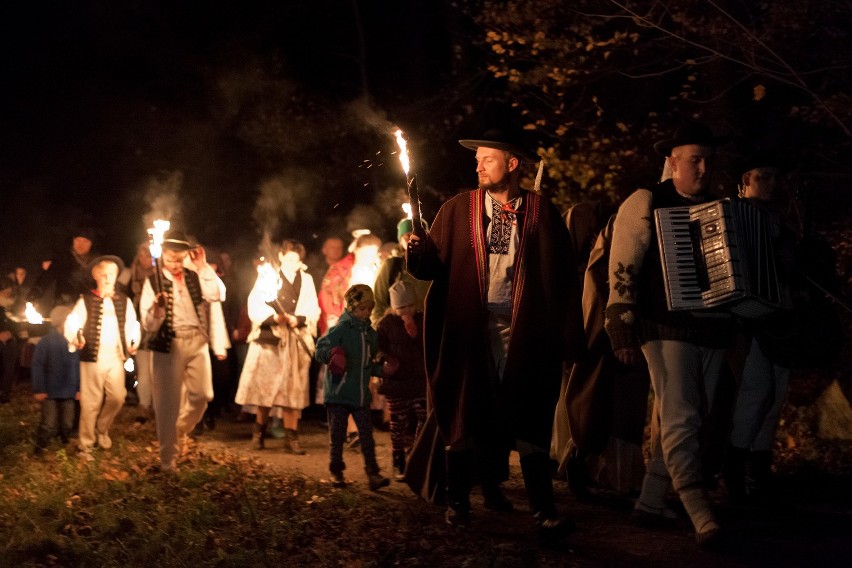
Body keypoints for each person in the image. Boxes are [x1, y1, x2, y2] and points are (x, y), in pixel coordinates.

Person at [406, 127, 584, 545]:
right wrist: (418, 250)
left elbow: (563, 279)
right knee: (464, 406)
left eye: (488, 158)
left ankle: (544, 511)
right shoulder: (457, 209)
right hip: (470, 326)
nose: (478, 164)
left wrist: (569, 337)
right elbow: (431, 269)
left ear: (513, 163)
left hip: (525, 329)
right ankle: (458, 503)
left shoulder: (541, 212)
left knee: (531, 410)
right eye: (478, 159)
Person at [604, 120, 734, 547]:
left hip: (712, 329)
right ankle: (700, 513)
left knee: (685, 417)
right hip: (663, 325)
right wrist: (620, 326)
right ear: (673, 162)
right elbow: (623, 263)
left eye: (707, 161)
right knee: (683, 416)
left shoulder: (721, 208)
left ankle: (650, 500)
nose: (702, 168)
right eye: (694, 160)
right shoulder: (646, 201)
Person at [724, 152, 800, 503]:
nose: (770, 185)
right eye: (762, 178)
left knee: (774, 397)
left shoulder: (781, 220)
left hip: (781, 318)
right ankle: (735, 475)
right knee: (754, 394)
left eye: (773, 178)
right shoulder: (732, 215)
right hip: (748, 321)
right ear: (745, 182)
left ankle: (758, 475)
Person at [139, 229, 225, 472]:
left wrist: (204, 267)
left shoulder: (195, 275)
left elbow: (217, 294)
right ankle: (168, 460)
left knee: (203, 395)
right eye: (170, 259)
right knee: (167, 403)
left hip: (196, 340)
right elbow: (148, 325)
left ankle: (178, 430)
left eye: (179, 258)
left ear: (187, 255)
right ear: (163, 256)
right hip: (169, 344)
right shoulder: (152, 282)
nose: (175, 264)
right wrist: (157, 308)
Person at [235, 240, 320, 454]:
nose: (293, 262)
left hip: (294, 340)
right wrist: (274, 317)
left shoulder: (306, 279)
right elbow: (255, 305)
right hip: (270, 340)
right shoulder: (268, 276)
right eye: (289, 258)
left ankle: (291, 438)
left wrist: (297, 319)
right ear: (281, 257)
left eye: (296, 259)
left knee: (293, 391)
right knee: (265, 389)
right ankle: (258, 434)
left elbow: (312, 308)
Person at [315, 284, 394, 491]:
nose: (366, 313)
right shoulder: (340, 330)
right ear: (351, 308)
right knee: (338, 435)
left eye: (369, 308)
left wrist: (383, 369)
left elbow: (369, 364)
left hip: (360, 396)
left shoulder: (371, 335)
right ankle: (336, 471)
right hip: (339, 394)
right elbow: (320, 349)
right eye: (362, 308)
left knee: (367, 436)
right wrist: (332, 354)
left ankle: (373, 473)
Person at [66, 255, 139, 460]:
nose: (108, 279)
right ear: (95, 276)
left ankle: (102, 428)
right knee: (91, 402)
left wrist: (134, 342)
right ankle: (86, 446)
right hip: (93, 358)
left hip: (115, 357)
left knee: (118, 396)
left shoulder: (124, 301)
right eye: (104, 275)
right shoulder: (86, 300)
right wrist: (75, 338)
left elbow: (133, 325)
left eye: (112, 275)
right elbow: (73, 323)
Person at [376, 280, 428, 480]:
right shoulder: (386, 324)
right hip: (396, 383)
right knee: (398, 423)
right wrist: (385, 359)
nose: (406, 310)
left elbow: (428, 345)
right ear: (393, 307)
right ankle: (398, 459)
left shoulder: (423, 320)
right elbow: (378, 347)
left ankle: (416, 455)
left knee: (424, 419)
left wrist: (416, 334)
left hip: (418, 381)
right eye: (401, 307)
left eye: (410, 306)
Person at [31, 305, 80, 455]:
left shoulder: (75, 342)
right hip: (50, 391)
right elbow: (37, 365)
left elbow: (78, 366)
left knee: (67, 423)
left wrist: (78, 388)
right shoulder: (46, 341)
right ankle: (39, 449)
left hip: (69, 390)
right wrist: (39, 388)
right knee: (48, 423)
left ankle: (63, 445)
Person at [370, 218, 431, 327]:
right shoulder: (391, 266)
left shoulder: (434, 264)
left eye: (417, 234)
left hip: (430, 327)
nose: (412, 238)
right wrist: (380, 329)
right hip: (398, 331)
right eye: (407, 235)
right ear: (400, 239)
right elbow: (377, 302)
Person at [28, 227, 99, 312]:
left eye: (85, 241)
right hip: (64, 306)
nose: (81, 244)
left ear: (90, 244)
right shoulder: (62, 259)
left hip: (89, 307)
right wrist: (34, 294)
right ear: (73, 241)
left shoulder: (97, 263)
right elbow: (46, 277)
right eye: (78, 240)